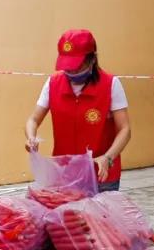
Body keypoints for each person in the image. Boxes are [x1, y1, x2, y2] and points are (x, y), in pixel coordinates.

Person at [25, 29, 132, 192]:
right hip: (64, 174)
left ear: (93, 59)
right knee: (67, 217)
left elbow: (125, 129)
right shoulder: (53, 83)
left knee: (98, 218)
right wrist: (31, 137)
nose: (71, 71)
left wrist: (108, 158)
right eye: (68, 67)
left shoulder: (111, 84)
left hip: (101, 175)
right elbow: (33, 120)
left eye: (76, 66)